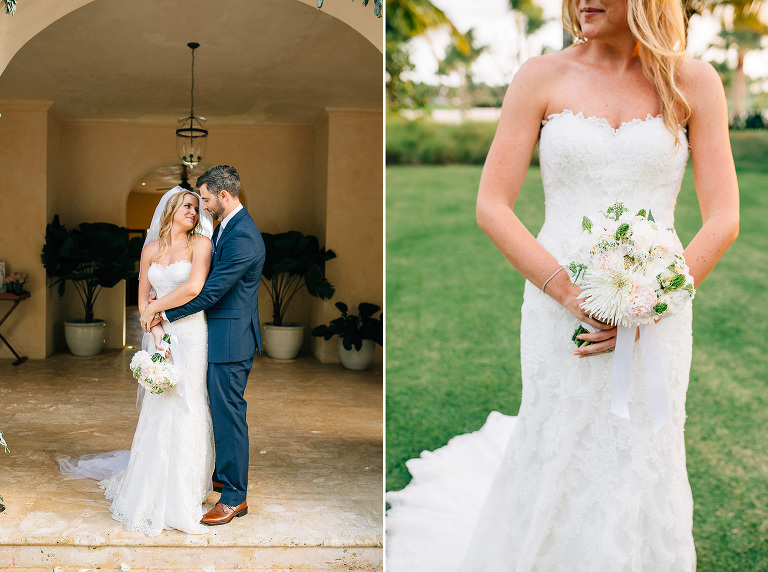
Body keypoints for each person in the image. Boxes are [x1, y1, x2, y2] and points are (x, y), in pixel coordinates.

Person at [386, 0, 739, 568]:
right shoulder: (540, 76)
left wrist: (652, 301)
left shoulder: (695, 82)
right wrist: (571, 293)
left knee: (644, 446)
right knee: (560, 437)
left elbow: (723, 217)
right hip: (559, 309)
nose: (580, 1)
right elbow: (492, 206)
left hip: (660, 314)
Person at [60, 186, 216, 536]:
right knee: (160, 405)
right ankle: (151, 483)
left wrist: (156, 310)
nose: (194, 211)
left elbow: (194, 287)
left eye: (196, 206)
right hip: (160, 332)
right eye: (187, 205)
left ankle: (185, 490)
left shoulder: (201, 245)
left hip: (191, 332)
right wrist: (155, 330)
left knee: (189, 403)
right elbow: (143, 292)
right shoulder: (150, 249)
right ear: (171, 209)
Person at [141, 164, 266, 526]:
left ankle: (234, 497)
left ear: (223, 195)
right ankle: (217, 476)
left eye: (207, 199)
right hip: (217, 334)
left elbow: (210, 290)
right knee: (216, 410)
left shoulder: (242, 236)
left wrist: (163, 312)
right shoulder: (229, 227)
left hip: (231, 338)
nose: (203, 207)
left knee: (229, 415)